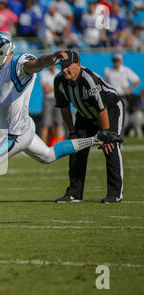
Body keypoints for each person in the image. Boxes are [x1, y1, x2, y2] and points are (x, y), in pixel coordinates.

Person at [0, 32, 121, 226]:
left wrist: (51, 59)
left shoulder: (19, 62)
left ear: (1, 48)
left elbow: (36, 64)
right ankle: (97, 139)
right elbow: (3, 106)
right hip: (19, 129)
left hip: (16, 134)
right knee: (49, 155)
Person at [54, 50, 125, 204]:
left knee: (110, 147)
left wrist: (106, 134)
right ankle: (74, 193)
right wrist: (72, 132)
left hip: (110, 110)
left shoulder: (88, 79)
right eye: (62, 66)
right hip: (84, 114)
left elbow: (102, 108)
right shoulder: (59, 80)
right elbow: (64, 109)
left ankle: (115, 194)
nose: (64, 69)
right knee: (76, 149)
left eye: (68, 66)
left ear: (78, 65)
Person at [103, 53, 140, 134]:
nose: (117, 62)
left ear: (121, 61)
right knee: (110, 115)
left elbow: (137, 80)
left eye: (118, 60)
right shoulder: (108, 70)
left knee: (122, 115)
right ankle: (112, 133)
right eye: (115, 60)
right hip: (111, 97)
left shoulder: (125, 70)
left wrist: (129, 90)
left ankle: (120, 133)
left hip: (122, 96)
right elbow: (104, 83)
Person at [39, 64, 63, 146]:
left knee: (58, 122)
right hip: (48, 100)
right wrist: (57, 86)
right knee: (45, 123)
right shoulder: (44, 73)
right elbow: (46, 90)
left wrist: (52, 87)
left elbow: (61, 87)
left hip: (57, 99)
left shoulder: (59, 72)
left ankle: (57, 143)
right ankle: (43, 144)